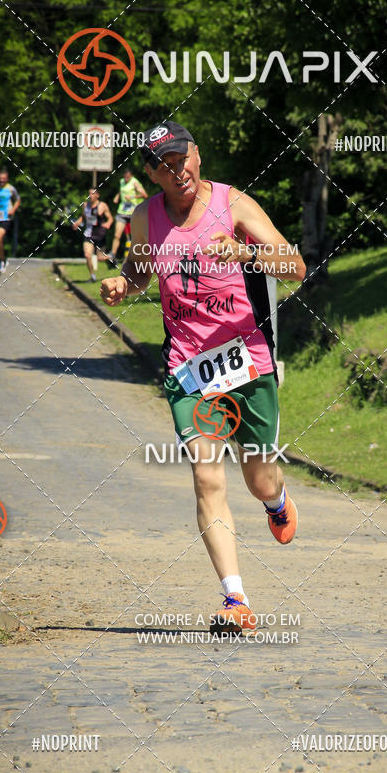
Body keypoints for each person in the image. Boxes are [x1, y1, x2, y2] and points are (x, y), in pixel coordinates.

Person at [100, 121, 306, 634]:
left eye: (182, 158)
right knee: (207, 476)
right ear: (152, 175)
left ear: (197, 153)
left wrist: (245, 253)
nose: (178, 171)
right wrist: (122, 286)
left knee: (258, 479)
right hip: (189, 368)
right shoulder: (144, 218)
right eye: (164, 166)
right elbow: (140, 271)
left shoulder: (234, 204)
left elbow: (296, 266)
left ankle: (277, 503)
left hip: (247, 358)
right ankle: (235, 599)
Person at [106, 167, 147, 266]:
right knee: (117, 235)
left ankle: (138, 257)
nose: (126, 179)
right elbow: (122, 190)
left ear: (131, 176)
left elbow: (145, 195)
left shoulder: (135, 183)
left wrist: (132, 197)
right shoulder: (122, 182)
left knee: (136, 237)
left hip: (134, 212)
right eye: (125, 177)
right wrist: (117, 196)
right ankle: (113, 254)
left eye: (128, 177)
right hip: (122, 212)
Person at [72, 188, 113, 281]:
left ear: (97, 195)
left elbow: (110, 218)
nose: (90, 196)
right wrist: (77, 223)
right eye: (89, 193)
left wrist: (108, 223)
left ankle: (111, 258)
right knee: (87, 255)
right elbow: (83, 217)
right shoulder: (86, 205)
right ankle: (92, 276)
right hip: (88, 234)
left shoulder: (102, 206)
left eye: (92, 194)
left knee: (100, 258)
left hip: (100, 235)